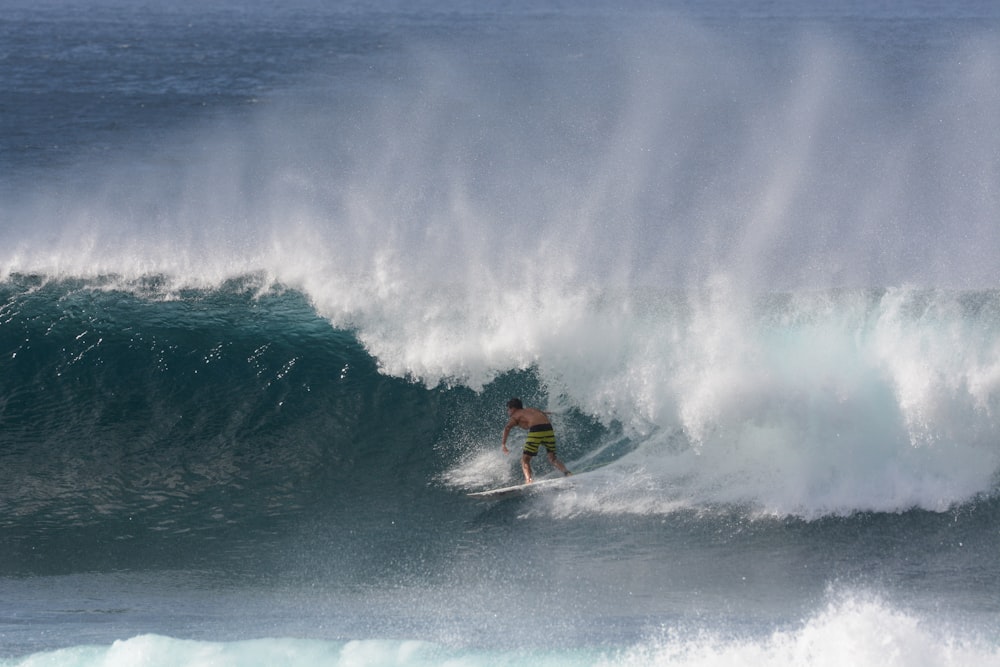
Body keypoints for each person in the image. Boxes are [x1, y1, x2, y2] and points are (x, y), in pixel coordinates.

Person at [501, 397, 572, 484]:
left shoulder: (515, 415)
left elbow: (507, 427)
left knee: (525, 460)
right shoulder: (532, 409)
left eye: (508, 409)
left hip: (536, 430)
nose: (508, 412)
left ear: (513, 408)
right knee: (552, 458)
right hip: (548, 429)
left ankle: (528, 480)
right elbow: (544, 413)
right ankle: (567, 472)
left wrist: (503, 444)